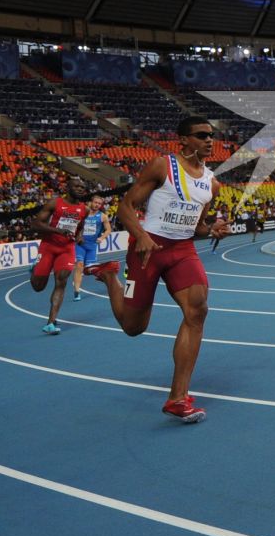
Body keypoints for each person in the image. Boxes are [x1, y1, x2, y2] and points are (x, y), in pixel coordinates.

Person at [83, 117, 228, 422]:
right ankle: (110, 276)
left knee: (197, 310)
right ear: (183, 141)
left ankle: (177, 398)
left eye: (211, 136)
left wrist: (211, 229)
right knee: (134, 328)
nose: (209, 141)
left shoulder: (211, 183)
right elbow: (125, 206)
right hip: (147, 250)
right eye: (201, 135)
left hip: (182, 250)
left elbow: (197, 227)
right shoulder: (162, 166)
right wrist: (142, 236)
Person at [26, 178, 93, 335]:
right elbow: (35, 224)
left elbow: (80, 226)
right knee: (38, 287)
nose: (80, 189)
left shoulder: (85, 210)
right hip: (49, 246)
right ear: (67, 187)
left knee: (61, 280)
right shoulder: (54, 203)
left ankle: (51, 322)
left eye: (83, 187)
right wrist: (57, 231)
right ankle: (35, 269)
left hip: (67, 249)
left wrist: (79, 236)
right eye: (76, 186)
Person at [71, 194, 109, 301]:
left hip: (92, 246)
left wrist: (102, 237)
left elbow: (108, 230)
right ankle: (77, 292)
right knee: (79, 265)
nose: (97, 205)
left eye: (99, 203)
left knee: (92, 270)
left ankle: (108, 280)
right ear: (91, 202)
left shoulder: (102, 216)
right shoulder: (83, 213)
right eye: (95, 202)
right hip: (80, 245)